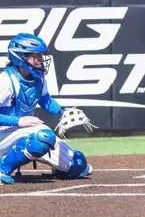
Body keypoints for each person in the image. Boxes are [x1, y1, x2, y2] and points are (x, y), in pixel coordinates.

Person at [0, 33, 93, 185]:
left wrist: (63, 112)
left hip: (19, 132)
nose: (40, 60)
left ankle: (56, 166)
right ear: (20, 57)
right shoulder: (6, 80)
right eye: (35, 56)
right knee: (43, 136)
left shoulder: (38, 78)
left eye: (41, 56)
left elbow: (45, 100)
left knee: (78, 166)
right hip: (3, 133)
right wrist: (18, 121)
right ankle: (3, 167)